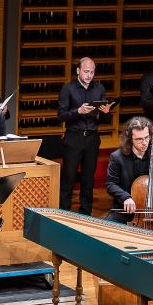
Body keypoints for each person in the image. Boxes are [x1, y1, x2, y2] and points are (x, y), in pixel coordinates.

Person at [57, 57, 113, 214]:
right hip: (74, 137)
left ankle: (86, 213)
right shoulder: (68, 88)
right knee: (68, 178)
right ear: (78, 71)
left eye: (92, 72)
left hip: (92, 138)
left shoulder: (99, 88)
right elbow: (61, 115)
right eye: (86, 71)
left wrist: (106, 113)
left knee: (88, 179)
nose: (89, 75)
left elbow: (105, 118)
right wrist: (78, 111)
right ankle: (64, 212)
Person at [105, 116, 153, 223]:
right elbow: (111, 184)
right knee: (108, 227)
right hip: (126, 209)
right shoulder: (117, 157)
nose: (144, 142)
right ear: (130, 139)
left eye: (147, 137)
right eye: (139, 139)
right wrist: (125, 197)